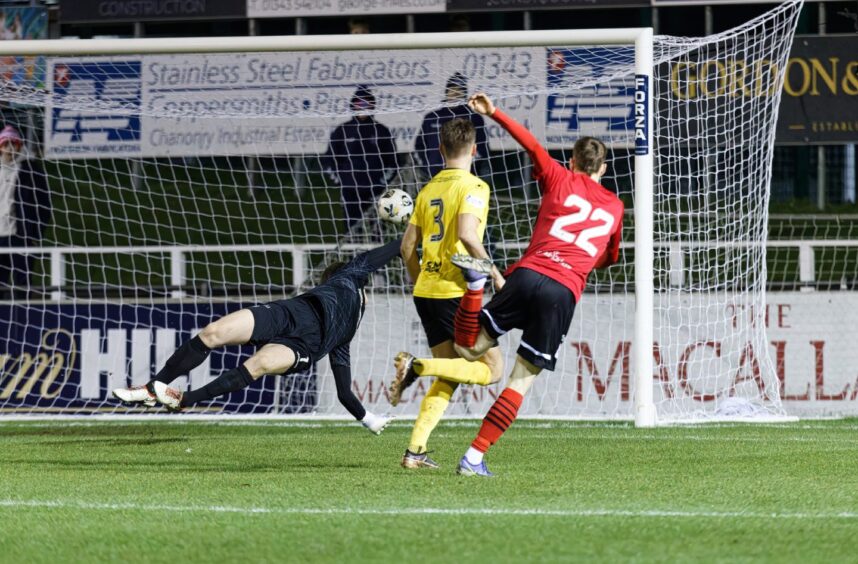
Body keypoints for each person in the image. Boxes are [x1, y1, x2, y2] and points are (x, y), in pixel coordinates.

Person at [450, 93, 624, 477]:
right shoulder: (614, 207)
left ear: (572, 162)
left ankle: (476, 286)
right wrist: (586, 261)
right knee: (521, 379)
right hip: (562, 291)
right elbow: (610, 258)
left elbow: (530, 142)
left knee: (468, 348)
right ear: (604, 169)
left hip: (527, 274)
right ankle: (473, 457)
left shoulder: (558, 176)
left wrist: (493, 112)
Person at [112, 240, 403, 435]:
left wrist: (369, 419)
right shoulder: (349, 278)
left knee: (260, 362)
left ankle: (186, 399)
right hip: (290, 311)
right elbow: (386, 252)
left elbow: (344, 393)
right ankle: (156, 386)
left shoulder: (344, 337)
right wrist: (409, 236)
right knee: (214, 332)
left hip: (305, 347)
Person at [389, 118, 505, 470]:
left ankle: (415, 451)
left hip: (427, 290)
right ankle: (417, 366)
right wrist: (497, 275)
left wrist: (419, 280)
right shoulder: (475, 186)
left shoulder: (427, 189)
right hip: (456, 291)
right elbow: (468, 235)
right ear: (474, 149)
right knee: (493, 368)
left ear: (440, 150)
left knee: (451, 373)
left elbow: (407, 246)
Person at [323, 86, 398, 236]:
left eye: (366, 104)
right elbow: (328, 161)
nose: (363, 108)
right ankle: (353, 258)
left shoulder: (381, 131)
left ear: (372, 106)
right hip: (350, 190)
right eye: (359, 104)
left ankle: (377, 258)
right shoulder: (343, 130)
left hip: (375, 189)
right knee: (351, 231)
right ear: (353, 106)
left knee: (376, 231)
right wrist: (341, 180)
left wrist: (382, 182)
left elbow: (393, 161)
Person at [0, 125, 49, 296]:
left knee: (23, 282)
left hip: (21, 234)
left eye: (13, 143)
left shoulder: (30, 170)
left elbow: (43, 204)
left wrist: (35, 234)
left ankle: (25, 320)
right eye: (6, 144)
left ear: (20, 145)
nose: (9, 148)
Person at [414, 73, 488, 180]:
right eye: (452, 89)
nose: (455, 94)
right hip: (435, 177)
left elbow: (482, 148)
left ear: (464, 94)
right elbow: (419, 147)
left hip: (464, 177)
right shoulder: (432, 117)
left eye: (459, 90)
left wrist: (468, 166)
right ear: (446, 91)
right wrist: (427, 166)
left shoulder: (474, 118)